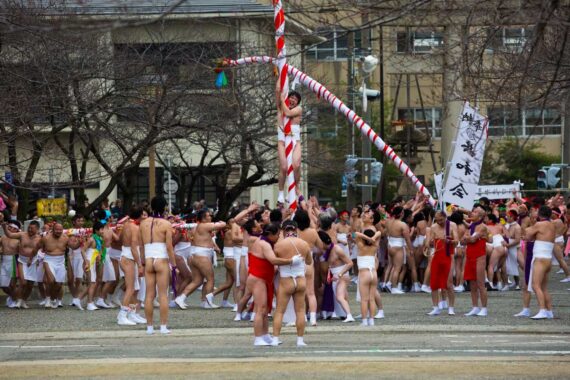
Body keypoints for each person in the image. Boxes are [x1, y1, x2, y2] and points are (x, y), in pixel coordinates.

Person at [248, 222, 302, 346]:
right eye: (277, 234)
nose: (278, 237)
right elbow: (273, 260)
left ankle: (265, 335)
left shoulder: (266, 242)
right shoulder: (264, 244)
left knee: (266, 309)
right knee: (260, 309)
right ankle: (258, 338)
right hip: (258, 278)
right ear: (270, 234)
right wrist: (291, 261)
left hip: (265, 279)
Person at [139, 197, 177, 335]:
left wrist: (141, 263)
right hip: (161, 259)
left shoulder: (143, 224)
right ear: (164, 208)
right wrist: (174, 264)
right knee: (163, 295)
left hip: (148, 259)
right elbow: (169, 246)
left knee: (149, 295)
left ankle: (149, 327)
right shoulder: (166, 224)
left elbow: (141, 246)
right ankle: (163, 326)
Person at [174, 210, 226, 309]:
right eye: (208, 216)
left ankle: (181, 298)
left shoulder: (194, 228)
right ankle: (208, 302)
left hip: (194, 254)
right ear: (203, 218)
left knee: (197, 281)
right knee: (210, 279)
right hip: (201, 255)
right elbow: (223, 225)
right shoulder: (204, 225)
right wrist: (221, 222)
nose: (210, 217)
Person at [271, 220, 312, 347]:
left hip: (286, 280)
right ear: (296, 230)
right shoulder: (304, 244)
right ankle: (300, 340)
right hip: (300, 280)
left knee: (279, 311)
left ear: (283, 231)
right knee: (300, 311)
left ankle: (275, 338)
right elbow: (309, 262)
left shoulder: (278, 245)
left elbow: (275, 261)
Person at [2, 219, 42, 309]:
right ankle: (18, 300)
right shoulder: (22, 235)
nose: (30, 230)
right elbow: (10, 234)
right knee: (23, 282)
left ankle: (23, 300)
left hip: (33, 260)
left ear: (37, 229)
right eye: (29, 228)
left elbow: (36, 250)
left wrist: (31, 259)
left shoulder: (39, 239)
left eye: (32, 229)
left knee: (30, 284)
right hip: (21, 260)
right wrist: (4, 227)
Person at [524, 205, 555, 319]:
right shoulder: (552, 224)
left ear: (540, 214)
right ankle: (549, 311)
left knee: (536, 285)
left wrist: (527, 223)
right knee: (543, 287)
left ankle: (542, 310)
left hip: (540, 258)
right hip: (547, 258)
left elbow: (527, 235)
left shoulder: (539, 224)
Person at [117, 206, 146, 326]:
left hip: (127, 256)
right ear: (139, 216)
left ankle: (132, 313)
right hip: (129, 258)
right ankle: (122, 315)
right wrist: (140, 264)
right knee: (130, 288)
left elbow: (119, 239)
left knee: (135, 289)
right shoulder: (134, 227)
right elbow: (134, 247)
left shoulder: (126, 225)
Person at [425, 211, 458, 316]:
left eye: (441, 220)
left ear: (445, 217)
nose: (439, 222)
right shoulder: (433, 227)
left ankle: (451, 307)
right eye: (437, 220)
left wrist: (451, 241)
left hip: (449, 255)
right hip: (437, 256)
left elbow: (457, 241)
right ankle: (435, 307)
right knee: (434, 283)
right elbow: (429, 243)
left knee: (449, 284)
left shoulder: (452, 225)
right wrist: (429, 242)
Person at [275, 81, 302, 204]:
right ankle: (281, 192)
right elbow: (277, 90)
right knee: (284, 167)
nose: (293, 100)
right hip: (282, 141)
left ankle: (296, 187)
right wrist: (280, 74)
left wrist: (282, 99)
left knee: (296, 165)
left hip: (295, 141)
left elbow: (289, 113)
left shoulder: (298, 109)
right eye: (291, 97)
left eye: (295, 99)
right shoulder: (280, 108)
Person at [319, 230, 355, 322]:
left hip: (341, 275)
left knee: (339, 297)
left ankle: (349, 316)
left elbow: (350, 263)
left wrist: (339, 274)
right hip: (335, 275)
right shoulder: (326, 250)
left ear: (322, 242)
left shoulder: (337, 249)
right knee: (343, 296)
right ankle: (347, 314)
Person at [462, 206, 490, 317]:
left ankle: (484, 308)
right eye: (473, 211)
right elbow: (462, 241)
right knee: (472, 283)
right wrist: (467, 238)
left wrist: (467, 238)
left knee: (480, 283)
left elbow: (472, 240)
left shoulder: (482, 227)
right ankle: (475, 307)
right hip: (470, 256)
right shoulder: (470, 227)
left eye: (475, 212)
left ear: (480, 216)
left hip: (479, 257)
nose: (472, 213)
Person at [36, 223, 69, 309]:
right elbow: (37, 247)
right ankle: (47, 299)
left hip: (61, 261)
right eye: (57, 229)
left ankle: (53, 298)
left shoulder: (65, 238)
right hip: (49, 260)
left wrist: (79, 243)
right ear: (53, 229)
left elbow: (73, 246)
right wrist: (31, 258)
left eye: (60, 230)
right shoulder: (46, 238)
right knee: (50, 281)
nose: (59, 231)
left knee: (58, 284)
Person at [354, 227, 381, 326]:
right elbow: (379, 232)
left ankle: (365, 321)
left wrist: (368, 238)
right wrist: (372, 238)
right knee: (372, 299)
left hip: (364, 274)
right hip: (373, 274)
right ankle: (372, 320)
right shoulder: (375, 246)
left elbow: (356, 233)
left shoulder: (361, 246)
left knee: (364, 299)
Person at [385, 206, 413, 294]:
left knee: (392, 266)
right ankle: (394, 287)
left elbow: (387, 232)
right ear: (401, 213)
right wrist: (411, 249)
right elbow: (407, 239)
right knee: (397, 268)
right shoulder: (402, 224)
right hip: (398, 246)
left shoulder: (388, 222)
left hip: (390, 245)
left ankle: (389, 284)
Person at [0, 220, 22, 308]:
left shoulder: (18, 240)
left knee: (12, 285)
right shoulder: (2, 238)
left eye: (14, 228)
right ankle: (12, 297)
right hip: (4, 261)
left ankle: (14, 300)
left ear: (17, 230)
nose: (11, 229)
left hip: (13, 261)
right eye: (10, 227)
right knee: (3, 285)